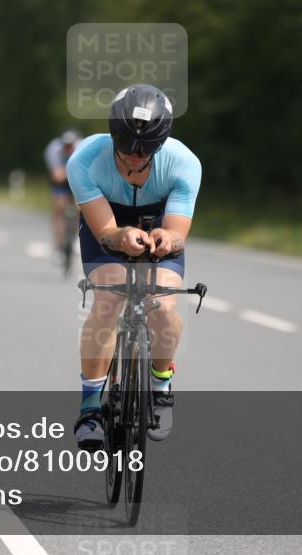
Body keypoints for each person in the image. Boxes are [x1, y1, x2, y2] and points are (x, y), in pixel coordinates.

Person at [66, 84, 201, 450]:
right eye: (128, 148)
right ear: (113, 136)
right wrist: (120, 236)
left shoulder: (184, 163)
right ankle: (91, 407)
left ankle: (160, 385)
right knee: (109, 297)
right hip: (108, 226)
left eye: (147, 149)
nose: (137, 157)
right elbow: (106, 231)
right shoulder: (84, 161)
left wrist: (165, 239)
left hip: (158, 222)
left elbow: (177, 234)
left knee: (164, 305)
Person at [44, 129, 83, 260]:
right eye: (65, 146)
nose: (68, 148)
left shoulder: (82, 148)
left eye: (70, 145)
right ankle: (59, 245)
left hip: (78, 178)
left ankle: (78, 238)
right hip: (61, 181)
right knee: (59, 208)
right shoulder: (53, 149)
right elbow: (56, 176)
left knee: (81, 207)